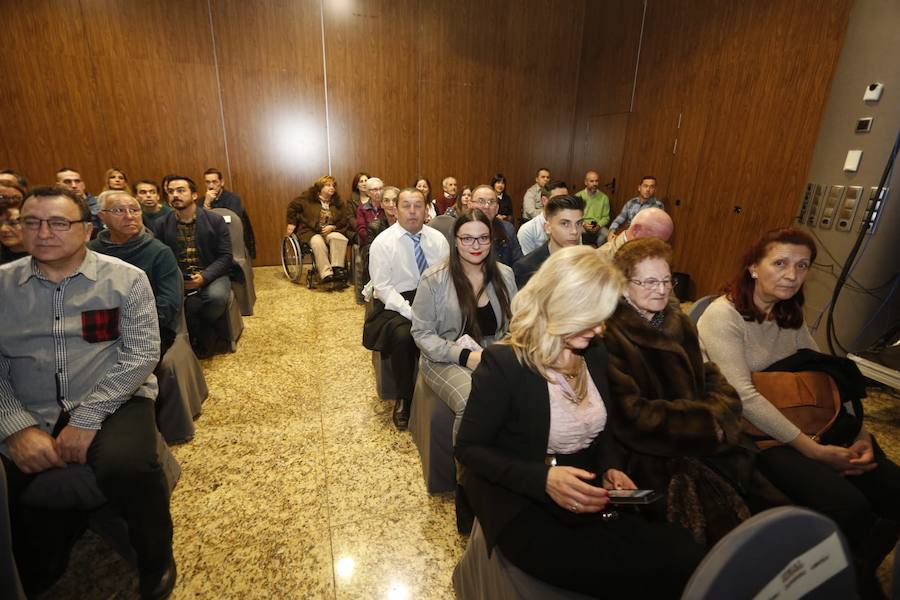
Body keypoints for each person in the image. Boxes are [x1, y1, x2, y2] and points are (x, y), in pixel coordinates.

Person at [455, 245, 704, 597]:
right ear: (560, 305)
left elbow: (604, 430)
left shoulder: (594, 353)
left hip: (587, 485)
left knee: (684, 553)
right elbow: (469, 448)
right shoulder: (505, 364)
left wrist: (611, 466)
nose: (600, 329)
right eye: (591, 317)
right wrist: (544, 478)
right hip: (522, 497)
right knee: (642, 573)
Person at [697, 228, 900, 595]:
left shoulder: (789, 313)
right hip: (754, 435)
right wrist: (815, 451)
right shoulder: (722, 316)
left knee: (894, 490)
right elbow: (743, 397)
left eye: (802, 265)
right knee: (849, 508)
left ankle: (855, 573)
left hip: (804, 418)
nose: (792, 275)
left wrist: (860, 434)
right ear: (753, 268)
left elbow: (826, 377)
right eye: (780, 263)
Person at [0, 186, 176, 599]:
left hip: (111, 395)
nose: (44, 233)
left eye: (59, 222)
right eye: (32, 222)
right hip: (25, 401)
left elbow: (140, 354)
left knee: (129, 465)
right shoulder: (3, 287)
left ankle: (155, 558)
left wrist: (87, 417)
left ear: (85, 228)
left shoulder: (125, 279)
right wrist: (15, 426)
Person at [604, 237, 776, 547]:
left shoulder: (678, 321)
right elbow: (631, 418)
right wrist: (709, 425)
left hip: (706, 442)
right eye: (649, 281)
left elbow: (710, 375)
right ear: (622, 284)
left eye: (667, 280)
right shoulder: (610, 335)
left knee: (775, 517)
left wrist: (717, 416)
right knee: (715, 543)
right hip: (652, 458)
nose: (661, 289)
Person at [411, 208, 516, 441]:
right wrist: (465, 356)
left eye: (483, 238)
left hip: (494, 352)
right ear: (456, 242)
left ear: (490, 240)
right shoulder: (434, 278)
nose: (476, 245)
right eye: (467, 238)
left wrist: (501, 354)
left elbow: (514, 326)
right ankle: (466, 472)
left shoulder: (505, 275)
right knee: (473, 399)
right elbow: (422, 333)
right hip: (444, 355)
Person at [363, 188, 449, 430]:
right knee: (403, 336)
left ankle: (445, 389)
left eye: (418, 205)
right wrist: (413, 313)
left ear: (426, 210)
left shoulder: (438, 240)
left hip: (432, 296)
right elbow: (383, 288)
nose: (412, 211)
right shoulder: (383, 243)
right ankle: (405, 397)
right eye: (406, 206)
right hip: (397, 302)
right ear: (395, 209)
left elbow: (445, 278)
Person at [89, 191, 183, 356]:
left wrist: (126, 329)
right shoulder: (90, 253)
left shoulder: (158, 251)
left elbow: (168, 304)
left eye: (134, 210)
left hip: (148, 329)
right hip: (97, 328)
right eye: (119, 211)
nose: (129, 216)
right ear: (102, 216)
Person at [153, 176, 233, 358]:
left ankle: (202, 330)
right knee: (166, 302)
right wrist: (179, 277)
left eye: (180, 190)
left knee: (216, 298)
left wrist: (204, 277)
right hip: (178, 276)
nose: (175, 195)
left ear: (195, 195)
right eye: (171, 192)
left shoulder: (214, 220)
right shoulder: (161, 224)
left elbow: (225, 256)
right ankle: (199, 336)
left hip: (211, 272)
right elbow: (159, 260)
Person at [286, 175, 352, 288]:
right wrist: (291, 223)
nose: (332, 188)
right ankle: (326, 273)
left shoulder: (338, 203)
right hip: (310, 231)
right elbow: (292, 207)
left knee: (339, 237)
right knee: (317, 242)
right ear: (320, 187)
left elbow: (344, 219)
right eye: (328, 185)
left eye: (333, 186)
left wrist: (333, 227)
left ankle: (337, 269)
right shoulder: (307, 199)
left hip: (330, 232)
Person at [513, 194, 584, 288]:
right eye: (565, 224)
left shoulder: (588, 263)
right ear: (548, 228)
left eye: (578, 223)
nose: (574, 231)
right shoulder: (526, 268)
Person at [202, 168, 255, 260]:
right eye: (208, 182)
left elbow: (232, 223)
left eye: (214, 182)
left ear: (222, 182)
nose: (211, 186)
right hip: (211, 241)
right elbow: (201, 223)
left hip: (232, 239)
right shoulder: (201, 201)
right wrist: (206, 204)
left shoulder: (233, 199)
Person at [469, 185, 522, 267]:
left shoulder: (507, 229)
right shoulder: (460, 229)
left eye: (491, 202)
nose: (486, 206)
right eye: (481, 201)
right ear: (470, 205)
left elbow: (518, 264)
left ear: (497, 208)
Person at [597, 206, 673, 259]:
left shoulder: (647, 256)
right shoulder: (601, 261)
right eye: (656, 243)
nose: (659, 250)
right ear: (636, 231)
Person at [517, 180, 569, 255]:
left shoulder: (572, 227)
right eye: (558, 200)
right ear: (544, 201)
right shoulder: (528, 230)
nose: (564, 204)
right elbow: (526, 264)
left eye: (566, 199)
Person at [608, 175, 665, 240]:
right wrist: (611, 231)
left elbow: (655, 230)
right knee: (609, 243)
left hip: (643, 239)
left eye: (651, 187)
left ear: (655, 190)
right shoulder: (631, 202)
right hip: (626, 234)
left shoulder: (658, 206)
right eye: (645, 186)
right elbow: (619, 220)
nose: (648, 189)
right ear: (639, 188)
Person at [55, 168, 101, 232]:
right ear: (58, 186)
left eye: (77, 181)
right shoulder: (53, 209)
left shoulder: (101, 204)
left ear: (83, 185)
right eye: (67, 182)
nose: (74, 186)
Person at [576, 170, 611, 246]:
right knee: (575, 233)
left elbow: (606, 217)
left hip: (598, 227)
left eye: (596, 181)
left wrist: (598, 225)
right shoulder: (578, 196)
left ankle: (598, 254)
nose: (595, 184)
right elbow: (574, 216)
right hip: (582, 225)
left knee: (607, 235)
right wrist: (583, 224)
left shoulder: (604, 198)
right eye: (592, 181)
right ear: (586, 182)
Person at [356, 177, 385, 246]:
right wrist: (375, 242)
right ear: (368, 193)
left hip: (386, 242)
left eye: (381, 189)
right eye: (375, 190)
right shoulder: (362, 209)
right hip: (369, 243)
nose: (379, 192)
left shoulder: (387, 207)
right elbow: (361, 230)